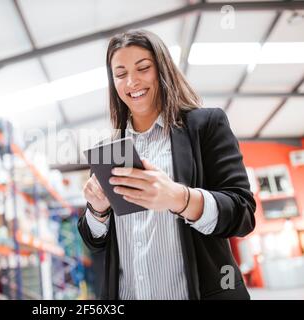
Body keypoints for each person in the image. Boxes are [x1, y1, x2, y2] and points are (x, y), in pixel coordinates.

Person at [78, 30, 256, 300]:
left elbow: (242, 213)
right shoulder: (109, 151)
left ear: (162, 69)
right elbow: (95, 241)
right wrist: (98, 210)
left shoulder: (205, 126)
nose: (132, 81)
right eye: (121, 73)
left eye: (143, 68)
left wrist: (180, 198)